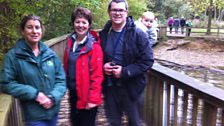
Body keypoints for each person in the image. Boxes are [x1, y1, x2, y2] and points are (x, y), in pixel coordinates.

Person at [0, 14, 66, 126]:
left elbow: (61, 79)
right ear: (22, 31)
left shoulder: (49, 54)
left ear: (41, 30)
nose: (34, 31)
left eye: (37, 27)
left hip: (53, 112)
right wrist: (34, 94)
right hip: (34, 116)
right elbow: (5, 83)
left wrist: (53, 97)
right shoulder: (13, 56)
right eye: (29, 27)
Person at [99, 0, 154, 126]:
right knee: (114, 122)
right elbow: (99, 57)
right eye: (114, 10)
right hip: (111, 88)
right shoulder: (104, 34)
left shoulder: (138, 34)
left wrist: (125, 71)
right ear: (109, 12)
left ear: (126, 13)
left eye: (121, 10)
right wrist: (103, 66)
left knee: (134, 123)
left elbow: (147, 61)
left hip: (132, 88)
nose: (117, 13)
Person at [63, 7, 104, 126]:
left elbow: (98, 76)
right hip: (73, 93)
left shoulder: (95, 47)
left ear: (89, 25)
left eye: (84, 22)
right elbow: (67, 67)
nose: (80, 25)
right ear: (73, 23)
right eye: (77, 22)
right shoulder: (70, 43)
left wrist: (93, 99)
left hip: (87, 95)